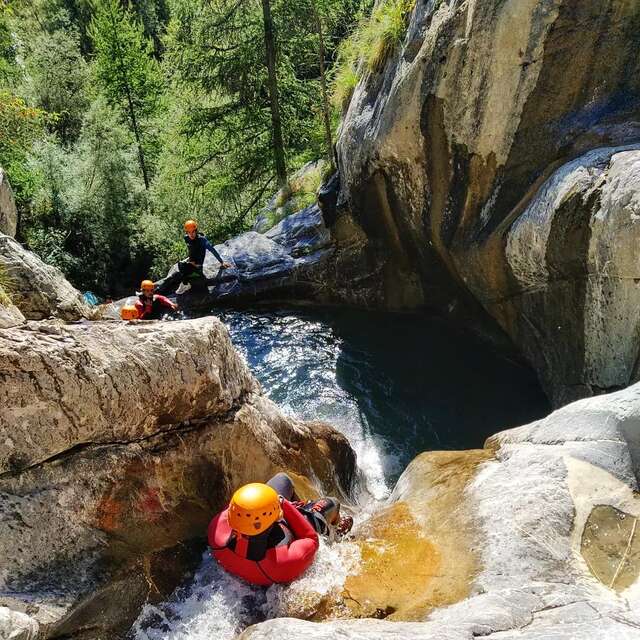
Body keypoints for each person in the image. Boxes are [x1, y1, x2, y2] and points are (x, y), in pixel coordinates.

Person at [208, 472, 353, 586]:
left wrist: (266, 502)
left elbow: (241, 507)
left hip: (263, 527)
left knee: (283, 479)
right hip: (285, 533)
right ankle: (337, 533)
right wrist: (283, 504)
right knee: (332, 504)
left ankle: (295, 506)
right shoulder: (283, 562)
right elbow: (311, 539)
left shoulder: (217, 531)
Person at [176, 219, 231, 294]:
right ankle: (189, 276)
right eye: (189, 232)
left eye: (193, 231)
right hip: (191, 263)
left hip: (198, 266)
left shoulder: (202, 240)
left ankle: (188, 281)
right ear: (186, 232)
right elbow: (191, 249)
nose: (191, 234)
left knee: (183, 267)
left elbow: (212, 250)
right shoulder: (186, 238)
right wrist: (189, 259)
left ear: (196, 231)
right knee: (180, 265)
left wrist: (222, 262)